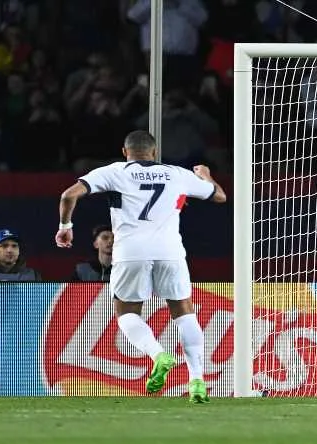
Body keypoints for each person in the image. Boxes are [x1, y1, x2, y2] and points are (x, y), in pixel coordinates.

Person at [55, 130, 227, 403]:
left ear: (125, 152)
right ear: (155, 152)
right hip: (170, 252)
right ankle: (197, 381)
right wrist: (205, 175)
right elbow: (219, 196)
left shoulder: (115, 171)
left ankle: (159, 355)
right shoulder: (177, 174)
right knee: (184, 312)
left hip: (131, 252)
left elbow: (68, 195)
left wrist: (66, 227)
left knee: (126, 313)